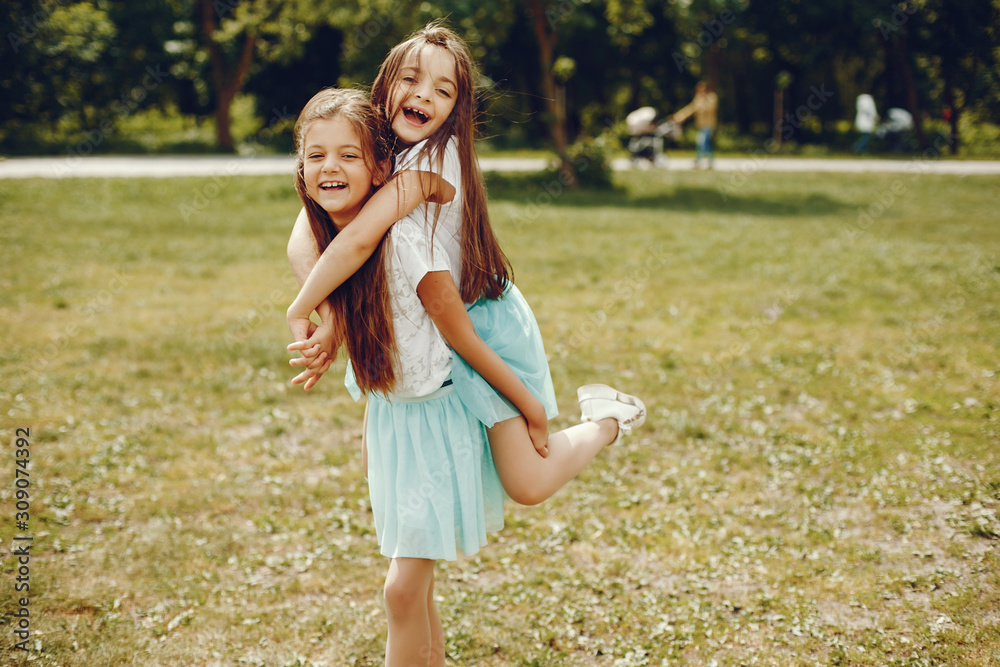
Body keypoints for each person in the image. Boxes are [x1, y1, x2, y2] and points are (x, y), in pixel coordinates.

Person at [286, 24, 645, 666]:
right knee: (411, 587)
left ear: (459, 109)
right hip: (423, 362)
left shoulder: (425, 172)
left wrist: (532, 405)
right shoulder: (374, 151)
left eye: (444, 89)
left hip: (475, 334)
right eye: (413, 78)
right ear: (386, 84)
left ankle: (609, 420)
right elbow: (313, 237)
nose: (425, 94)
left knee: (528, 482)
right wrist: (334, 320)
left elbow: (366, 245)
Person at [670, 81, 718, 169]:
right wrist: (678, 116)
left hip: (709, 125)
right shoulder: (698, 98)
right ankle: (709, 163)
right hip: (701, 125)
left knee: (702, 142)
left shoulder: (712, 98)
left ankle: (700, 161)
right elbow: (690, 109)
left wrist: (703, 100)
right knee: (706, 144)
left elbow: (709, 109)